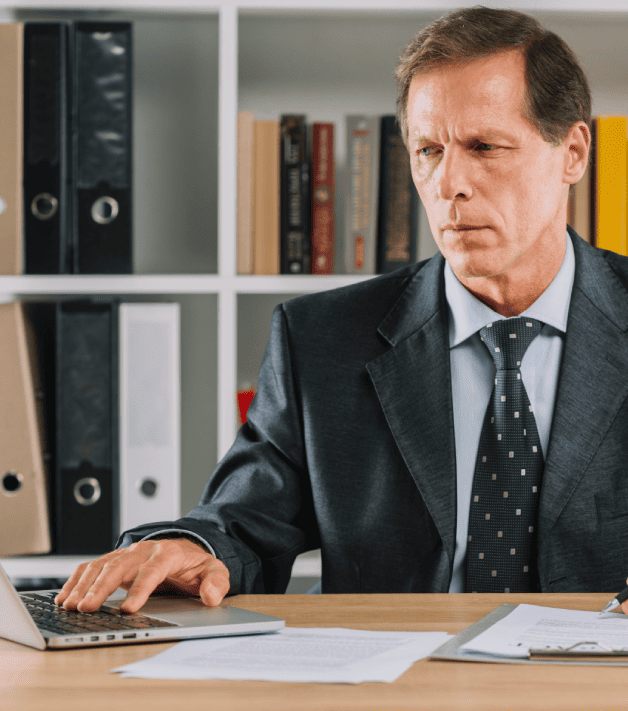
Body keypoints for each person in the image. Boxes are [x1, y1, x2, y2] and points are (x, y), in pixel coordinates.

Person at [56, 6, 628, 615]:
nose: (448, 183)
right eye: (428, 150)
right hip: (399, 687)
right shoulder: (322, 339)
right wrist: (193, 546)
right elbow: (241, 522)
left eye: (485, 146)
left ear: (572, 152)